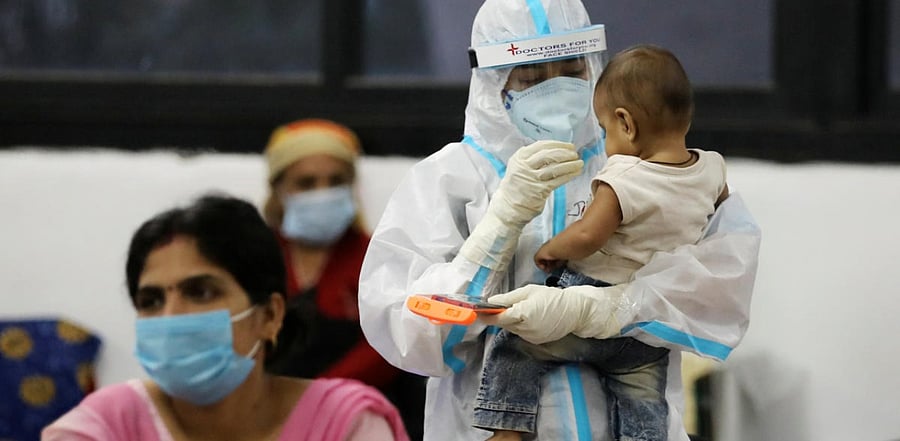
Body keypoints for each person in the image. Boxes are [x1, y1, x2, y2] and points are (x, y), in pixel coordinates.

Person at [357, 0, 761, 440]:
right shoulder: (449, 180)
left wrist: (608, 308)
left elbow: (721, 287)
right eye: (531, 78)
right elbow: (412, 334)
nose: (556, 87)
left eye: (572, 71)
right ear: (494, 83)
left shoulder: (644, 167)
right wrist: (497, 230)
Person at [477, 44, 729, 441]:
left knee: (517, 344)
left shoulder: (623, 177)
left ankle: (507, 430)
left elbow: (589, 235)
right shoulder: (712, 167)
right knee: (644, 399)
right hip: (647, 325)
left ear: (626, 125)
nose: (605, 139)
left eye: (605, 127)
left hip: (590, 304)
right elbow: (721, 213)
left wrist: (552, 248)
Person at [42, 195, 409, 441]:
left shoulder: (343, 424)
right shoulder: (106, 426)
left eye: (200, 292)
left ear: (269, 315)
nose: (171, 316)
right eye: (151, 299)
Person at [260, 119, 426, 440]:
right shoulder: (255, 258)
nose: (322, 193)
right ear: (279, 191)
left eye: (336, 181)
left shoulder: (378, 256)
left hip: (363, 418)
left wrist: (315, 400)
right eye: (306, 183)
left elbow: (388, 347)